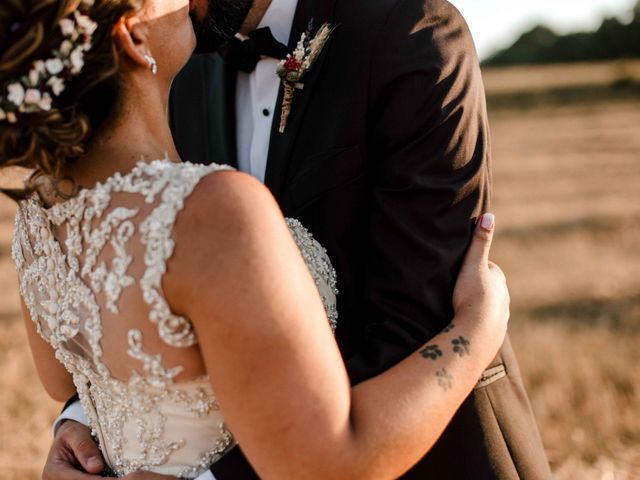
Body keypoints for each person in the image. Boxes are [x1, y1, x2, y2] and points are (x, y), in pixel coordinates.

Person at [13, 0, 548, 478]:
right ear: (129, 38)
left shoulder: (411, 34)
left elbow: (411, 324)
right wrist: (477, 330)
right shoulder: (178, 64)